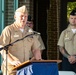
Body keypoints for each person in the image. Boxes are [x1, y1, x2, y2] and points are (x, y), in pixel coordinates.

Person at [0, 5, 44, 75]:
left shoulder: (30, 31)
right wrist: (12, 61)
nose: (24, 19)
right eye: (21, 16)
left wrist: (39, 60)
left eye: (25, 16)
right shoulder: (9, 30)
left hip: (25, 68)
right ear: (15, 17)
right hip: (11, 68)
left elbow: (36, 49)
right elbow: (2, 48)